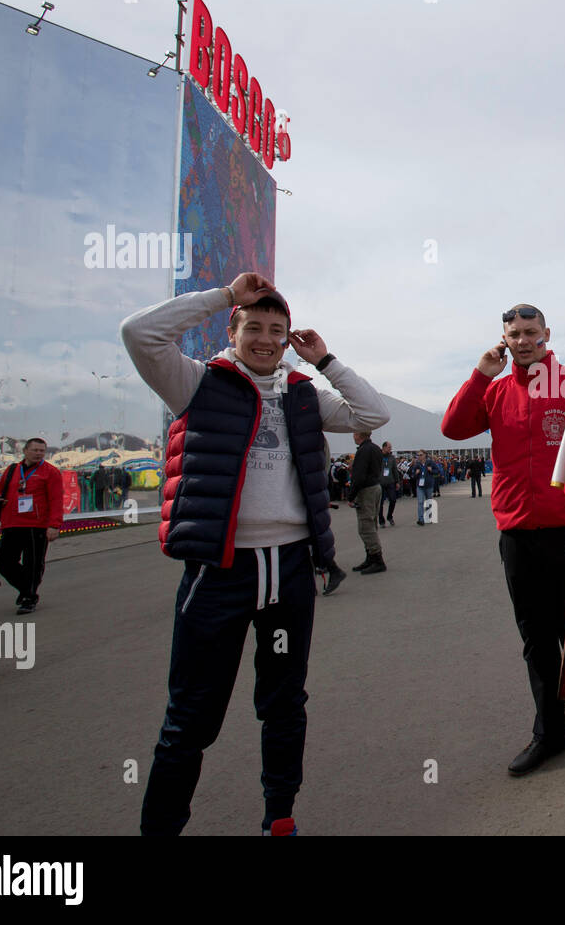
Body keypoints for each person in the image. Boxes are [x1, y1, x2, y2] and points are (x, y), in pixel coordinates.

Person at [121, 271, 388, 835]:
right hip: (219, 570)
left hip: (289, 568)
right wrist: (223, 295)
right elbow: (139, 334)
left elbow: (371, 417)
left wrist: (325, 360)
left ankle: (279, 819)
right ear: (234, 328)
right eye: (254, 326)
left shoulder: (303, 395)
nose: (266, 339)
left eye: (277, 330)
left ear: (289, 338)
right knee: (190, 716)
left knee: (285, 703)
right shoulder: (196, 383)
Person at [442, 305, 565, 774]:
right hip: (516, 534)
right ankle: (548, 734)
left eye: (532, 332)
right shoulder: (494, 391)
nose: (524, 340)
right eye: (515, 333)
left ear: (547, 334)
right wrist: (478, 375)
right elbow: (452, 428)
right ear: (504, 339)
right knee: (536, 640)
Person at [0, 437, 64, 615]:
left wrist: (54, 525)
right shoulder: (11, 470)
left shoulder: (50, 472)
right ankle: (27, 589)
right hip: (12, 523)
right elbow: (1, 490)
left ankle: (29, 597)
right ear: (25, 451)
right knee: (3, 561)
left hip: (36, 525)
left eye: (42, 451)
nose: (39, 453)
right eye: (35, 450)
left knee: (33, 563)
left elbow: (56, 500)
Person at [347, 430, 386, 574]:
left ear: (359, 435)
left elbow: (359, 476)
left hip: (366, 490)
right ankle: (370, 557)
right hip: (375, 486)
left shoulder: (363, 451)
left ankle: (377, 559)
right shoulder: (375, 448)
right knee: (371, 522)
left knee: (366, 526)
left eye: (354, 433)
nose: (353, 435)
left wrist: (351, 496)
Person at [409, 450, 440, 525]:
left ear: (425, 455)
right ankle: (420, 519)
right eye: (418, 455)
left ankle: (429, 517)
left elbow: (437, 471)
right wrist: (416, 473)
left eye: (421, 455)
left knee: (428, 501)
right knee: (420, 502)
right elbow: (412, 474)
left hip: (428, 485)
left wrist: (431, 470)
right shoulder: (417, 464)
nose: (419, 456)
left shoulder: (430, 463)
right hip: (420, 486)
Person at [378, 442, 399, 526]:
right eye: (389, 447)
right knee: (380, 503)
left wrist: (397, 481)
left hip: (390, 482)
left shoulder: (392, 458)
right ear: (383, 447)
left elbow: (394, 470)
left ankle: (389, 516)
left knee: (393, 499)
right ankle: (381, 520)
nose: (390, 449)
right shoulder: (378, 457)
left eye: (391, 447)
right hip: (380, 483)